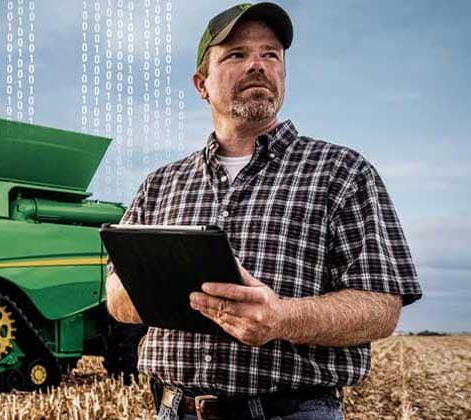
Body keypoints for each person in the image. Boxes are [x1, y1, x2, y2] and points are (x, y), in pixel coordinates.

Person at [104, 3, 422, 419]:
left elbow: (382, 307)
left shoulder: (342, 172)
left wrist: (282, 318)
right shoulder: (161, 183)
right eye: (236, 54)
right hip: (174, 408)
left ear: (283, 73)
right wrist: (181, 290)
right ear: (202, 84)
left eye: (270, 54)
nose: (257, 64)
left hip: (294, 411)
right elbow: (115, 298)